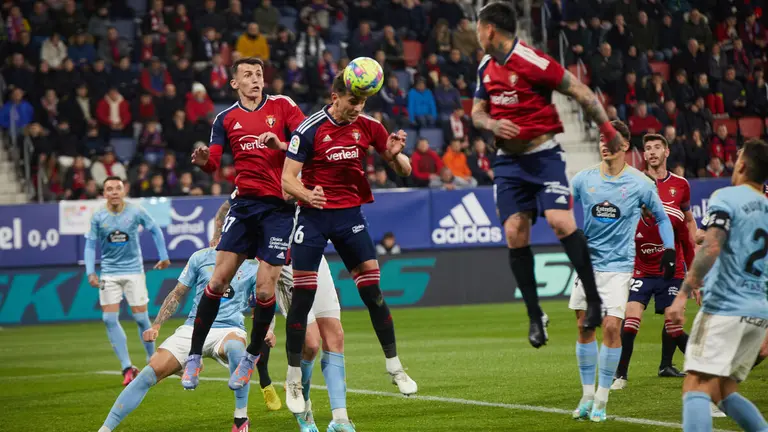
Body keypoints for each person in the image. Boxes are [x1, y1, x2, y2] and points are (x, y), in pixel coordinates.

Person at [472, 2, 622, 347]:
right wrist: (492, 123)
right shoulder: (485, 65)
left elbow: (581, 92)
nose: (477, 34)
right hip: (508, 163)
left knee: (560, 221)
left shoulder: (535, 62)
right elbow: (477, 112)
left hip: (543, 157)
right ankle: (534, 315)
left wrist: (607, 130)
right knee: (514, 233)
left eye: (479, 28)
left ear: (489, 29)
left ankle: (595, 301)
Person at [281, 73, 416, 428]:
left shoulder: (370, 126)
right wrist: (306, 194)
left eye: (363, 102)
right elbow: (287, 179)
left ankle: (395, 367)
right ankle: (293, 378)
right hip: (313, 216)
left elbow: (404, 169)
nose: (358, 108)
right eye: (353, 101)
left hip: (349, 217)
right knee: (302, 298)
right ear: (335, 96)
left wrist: (397, 158)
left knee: (373, 292)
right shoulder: (309, 129)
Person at [183, 57, 305, 390]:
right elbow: (213, 161)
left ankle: (251, 357)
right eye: (248, 75)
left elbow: (306, 144)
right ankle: (194, 356)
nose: (255, 79)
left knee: (264, 289)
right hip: (244, 206)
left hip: (279, 209)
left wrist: (280, 145)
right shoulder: (225, 118)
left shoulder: (283, 106)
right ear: (234, 83)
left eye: (259, 74)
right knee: (217, 281)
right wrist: (203, 161)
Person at [570, 121, 675, 422]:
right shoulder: (583, 179)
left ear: (625, 146)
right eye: (602, 139)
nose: (605, 144)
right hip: (588, 265)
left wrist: (669, 250)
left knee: (612, 328)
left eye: (611, 139)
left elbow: (662, 218)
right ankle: (587, 396)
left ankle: (602, 399)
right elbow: (562, 206)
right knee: (584, 327)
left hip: (618, 266)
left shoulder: (640, 183)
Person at [96, 242, 261, 432]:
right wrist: (156, 325)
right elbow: (177, 293)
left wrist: (269, 330)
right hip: (193, 328)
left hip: (229, 329)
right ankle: (105, 429)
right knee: (148, 373)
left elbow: (260, 306)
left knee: (237, 350)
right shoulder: (200, 257)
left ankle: (241, 417)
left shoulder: (253, 265)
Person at [667, 139, 768, 432]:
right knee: (723, 390)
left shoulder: (726, 196)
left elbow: (710, 247)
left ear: (742, 165)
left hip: (725, 307)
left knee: (696, 385)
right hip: (757, 313)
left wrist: (682, 295)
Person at [612, 134, 698, 388]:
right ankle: (620, 374)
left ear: (666, 152)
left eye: (657, 147)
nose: (651, 152)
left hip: (672, 268)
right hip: (642, 269)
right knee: (630, 320)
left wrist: (694, 273)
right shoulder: (634, 182)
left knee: (673, 322)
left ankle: (669, 365)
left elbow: (687, 223)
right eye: (647, 148)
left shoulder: (680, 185)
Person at [85, 176, 170, 386]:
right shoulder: (98, 216)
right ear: (104, 193)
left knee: (141, 319)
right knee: (108, 319)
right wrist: (90, 272)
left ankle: (152, 361)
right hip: (109, 274)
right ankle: (127, 367)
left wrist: (163, 255)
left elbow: (155, 229)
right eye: (109, 189)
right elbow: (90, 245)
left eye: (118, 188)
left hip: (134, 272)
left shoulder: (135, 211)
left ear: (124, 191)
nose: (114, 192)